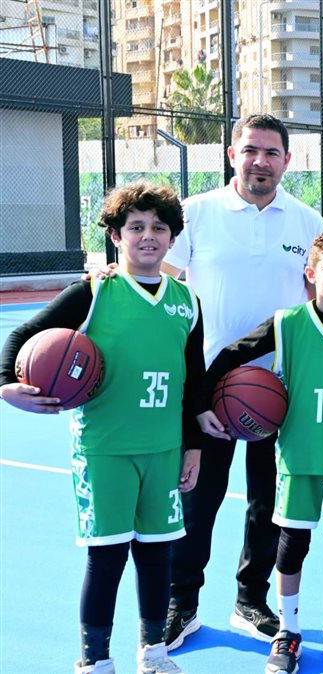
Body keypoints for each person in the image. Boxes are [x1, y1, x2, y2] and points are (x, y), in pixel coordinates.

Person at [0, 182, 209, 674]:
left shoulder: (187, 302)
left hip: (163, 449)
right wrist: (6, 382)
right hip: (104, 448)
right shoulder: (94, 291)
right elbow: (24, 334)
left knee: (157, 554)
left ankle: (153, 652)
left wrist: (194, 446)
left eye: (159, 227)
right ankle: (94, 660)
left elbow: (194, 380)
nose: (148, 236)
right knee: (107, 555)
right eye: (136, 227)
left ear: (173, 237)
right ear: (116, 236)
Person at [161, 113, 323, 649]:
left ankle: (250, 600)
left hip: (277, 391)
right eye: (251, 150)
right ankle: (182, 601)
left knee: (268, 503)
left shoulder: (308, 222)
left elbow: (317, 305)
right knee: (197, 498)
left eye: (272, 152)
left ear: (287, 160)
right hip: (207, 388)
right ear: (232, 154)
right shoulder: (196, 213)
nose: (261, 161)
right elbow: (162, 284)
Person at [200, 229, 323, 674]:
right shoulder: (287, 323)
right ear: (310, 273)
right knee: (293, 544)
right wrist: (202, 401)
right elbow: (231, 355)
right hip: (297, 458)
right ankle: (289, 631)